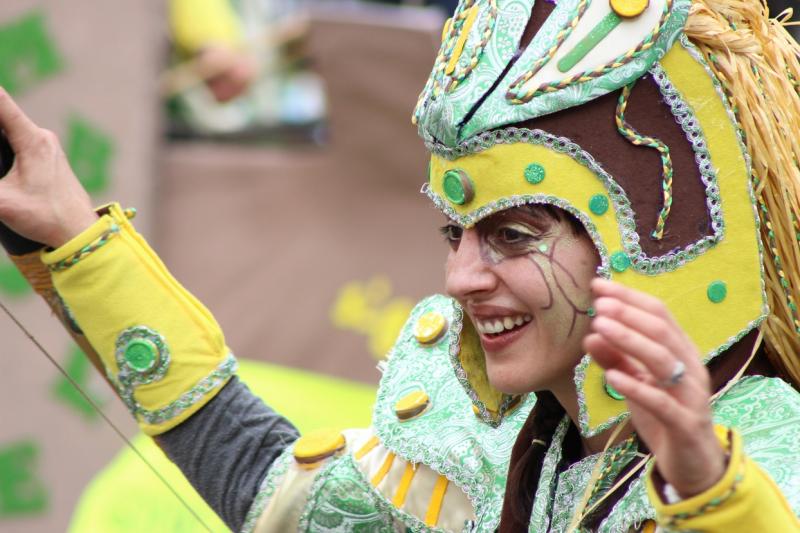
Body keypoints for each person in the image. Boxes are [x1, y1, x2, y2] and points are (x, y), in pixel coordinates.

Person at [1, 0, 799, 532]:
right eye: (454, 234)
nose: (461, 280)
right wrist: (71, 234)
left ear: (650, 244)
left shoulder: (767, 445)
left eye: (514, 235)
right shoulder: (493, 444)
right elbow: (264, 482)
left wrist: (707, 489)